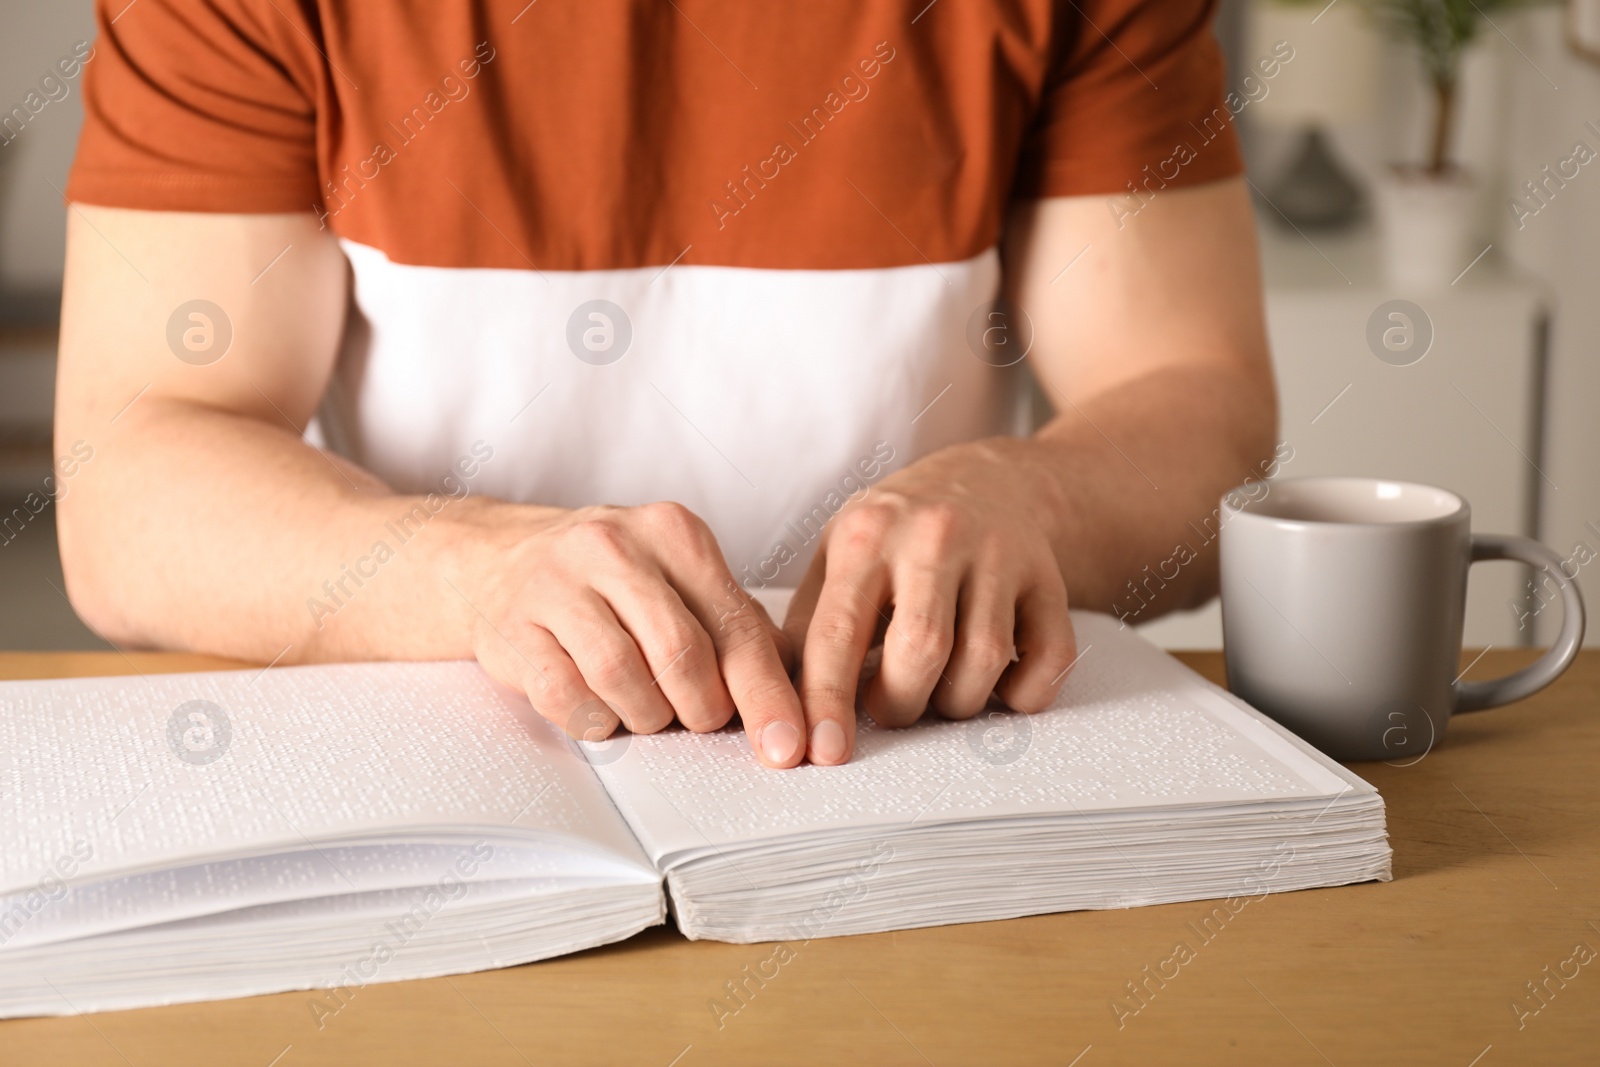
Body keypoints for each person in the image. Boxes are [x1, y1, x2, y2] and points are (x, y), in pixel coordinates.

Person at [56, 0, 1275, 769]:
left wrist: (1031, 498)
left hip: (903, 776)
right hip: (460, 760)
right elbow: (132, 484)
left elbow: (1196, 403)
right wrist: (476, 572)